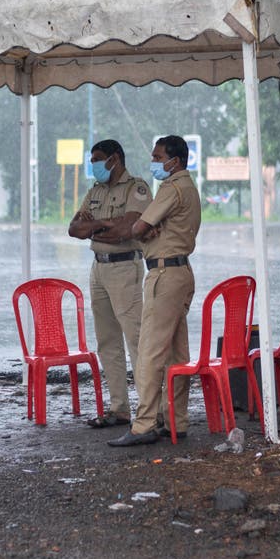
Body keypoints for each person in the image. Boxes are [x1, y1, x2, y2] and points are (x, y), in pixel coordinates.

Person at [108, 135, 201, 446]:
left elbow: (138, 228)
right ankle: (177, 420)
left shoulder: (172, 188)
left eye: (158, 157)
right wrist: (149, 229)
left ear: (174, 161)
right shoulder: (189, 188)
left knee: (149, 352)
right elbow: (149, 227)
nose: (154, 162)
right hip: (180, 272)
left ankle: (145, 424)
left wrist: (143, 229)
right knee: (177, 353)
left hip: (164, 275)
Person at [68, 140, 152, 428]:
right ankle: (119, 409)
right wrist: (105, 226)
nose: (94, 165)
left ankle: (150, 411)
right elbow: (73, 229)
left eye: (98, 159)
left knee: (136, 340)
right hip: (99, 268)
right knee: (108, 342)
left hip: (125, 267)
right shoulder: (95, 190)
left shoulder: (136, 188)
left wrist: (93, 227)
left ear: (115, 159)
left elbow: (128, 229)